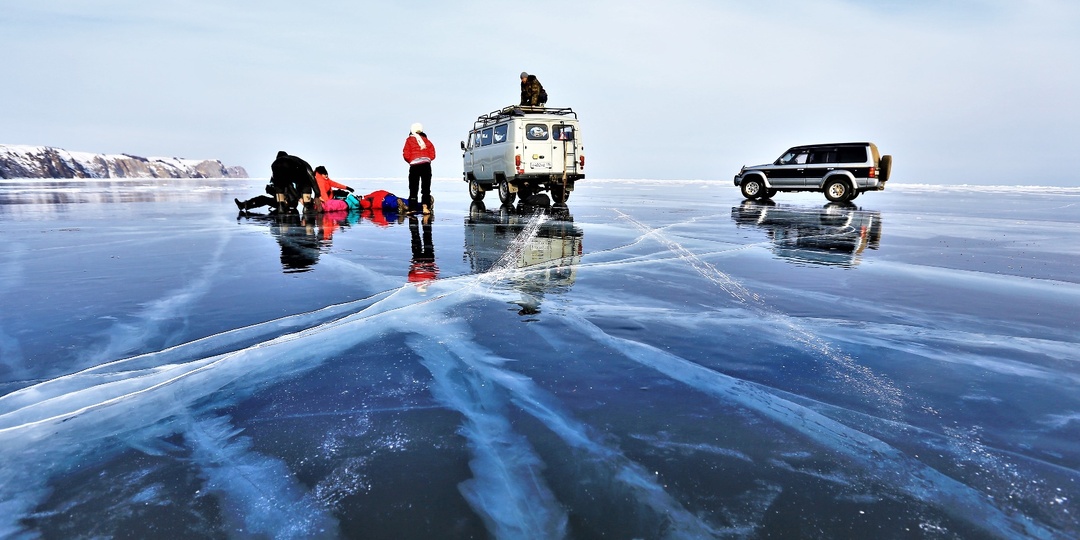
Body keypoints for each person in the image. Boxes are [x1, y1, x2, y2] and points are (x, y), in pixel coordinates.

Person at [235, 151, 319, 214]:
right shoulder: (289, 170)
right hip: (287, 199)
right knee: (263, 199)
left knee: (264, 199)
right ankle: (244, 205)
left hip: (290, 201)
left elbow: (289, 186)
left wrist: (299, 198)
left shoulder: (290, 172)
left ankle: (244, 205)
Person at [402, 123, 436, 215]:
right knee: (426, 187)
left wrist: (411, 160)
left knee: (413, 187)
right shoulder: (426, 141)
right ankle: (425, 207)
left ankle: (412, 208)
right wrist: (427, 159)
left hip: (415, 166)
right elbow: (433, 153)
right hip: (426, 165)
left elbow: (406, 153)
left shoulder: (409, 140)